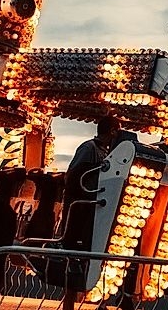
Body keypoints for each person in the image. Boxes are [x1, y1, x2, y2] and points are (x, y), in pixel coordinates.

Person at [62, 117, 122, 310]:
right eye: (117, 131)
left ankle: (98, 301)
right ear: (112, 131)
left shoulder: (107, 153)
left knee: (95, 260)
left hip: (95, 214)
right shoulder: (88, 148)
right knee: (74, 261)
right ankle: (69, 304)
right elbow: (74, 177)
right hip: (80, 214)